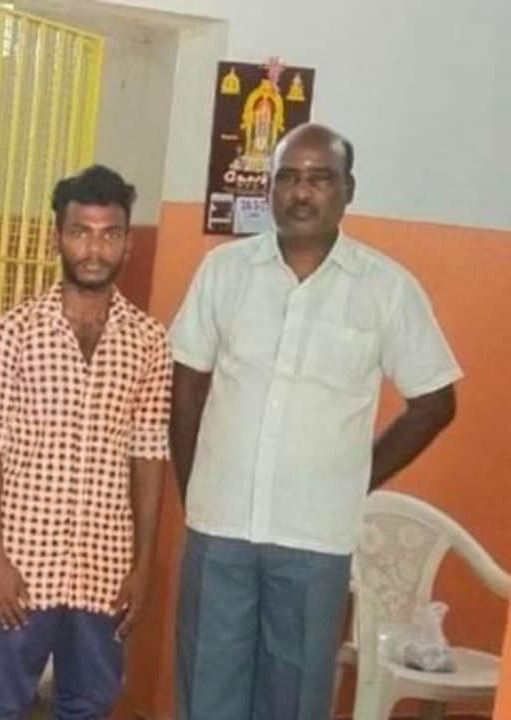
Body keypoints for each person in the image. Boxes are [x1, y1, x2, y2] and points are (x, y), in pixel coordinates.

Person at [170, 123, 461, 720]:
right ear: (270, 189)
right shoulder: (224, 271)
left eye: (320, 179)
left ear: (347, 190)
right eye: (288, 178)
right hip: (220, 530)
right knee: (206, 695)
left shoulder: (385, 289)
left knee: (295, 701)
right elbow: (187, 386)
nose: (302, 193)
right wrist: (195, 490)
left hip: (314, 541)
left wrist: (357, 479)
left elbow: (436, 402)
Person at [0, 166, 172, 720]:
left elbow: (149, 454)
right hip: (22, 565)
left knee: (90, 705)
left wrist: (142, 566)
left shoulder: (150, 342)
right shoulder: (10, 333)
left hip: (106, 569)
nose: (94, 249)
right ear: (57, 236)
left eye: (109, 234)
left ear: (127, 242)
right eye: (81, 232)